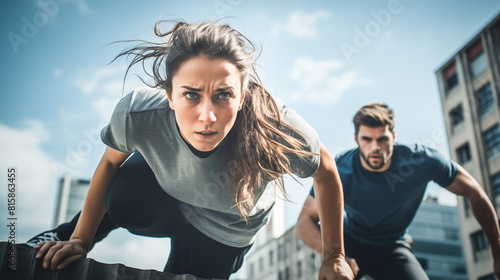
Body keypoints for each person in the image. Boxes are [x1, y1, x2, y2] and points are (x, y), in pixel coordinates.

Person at [27, 21, 354, 280]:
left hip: (222, 230)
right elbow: (110, 165)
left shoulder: (279, 129)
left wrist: (334, 256)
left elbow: (326, 172)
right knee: (125, 196)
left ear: (242, 96)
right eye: (191, 95)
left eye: (223, 95)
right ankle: (58, 233)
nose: (207, 116)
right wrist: (79, 239)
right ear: (169, 95)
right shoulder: (140, 114)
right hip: (163, 196)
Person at [295, 102, 500, 280]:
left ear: (393, 136)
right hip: (348, 244)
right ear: (356, 139)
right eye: (367, 139)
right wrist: (334, 256)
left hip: (393, 247)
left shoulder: (423, 160)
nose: (375, 147)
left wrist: (497, 248)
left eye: (382, 139)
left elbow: (474, 191)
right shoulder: (339, 169)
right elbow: (304, 223)